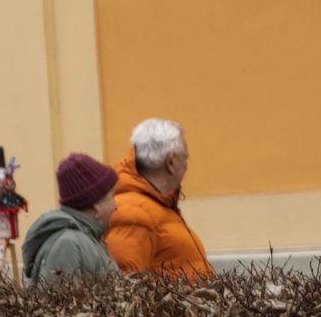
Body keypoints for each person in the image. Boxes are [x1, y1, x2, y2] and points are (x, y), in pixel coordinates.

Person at [106, 119, 212, 279]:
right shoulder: (132, 212)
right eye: (185, 158)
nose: (186, 165)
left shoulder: (157, 204)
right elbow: (125, 284)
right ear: (171, 162)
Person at [23, 153, 121, 280]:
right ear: (96, 203)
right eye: (112, 196)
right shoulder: (67, 245)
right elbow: (59, 292)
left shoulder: (89, 239)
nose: (116, 206)